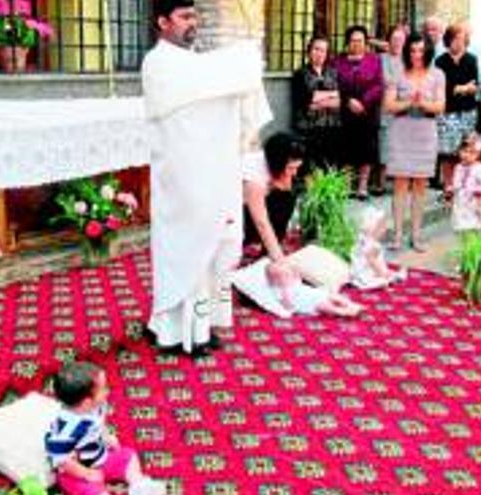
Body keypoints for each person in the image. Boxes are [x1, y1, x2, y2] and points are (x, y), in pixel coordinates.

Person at [141, 0, 272, 356]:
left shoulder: (195, 64)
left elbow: (217, 89)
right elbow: (212, 82)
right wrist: (244, 56)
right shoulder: (157, 63)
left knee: (212, 251)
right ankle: (174, 331)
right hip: (180, 181)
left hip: (209, 176)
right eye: (184, 17)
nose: (192, 23)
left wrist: (242, 62)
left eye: (194, 16)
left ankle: (202, 326)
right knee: (183, 252)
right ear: (162, 22)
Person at [45, 362, 167, 495]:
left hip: (100, 457)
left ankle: (139, 485)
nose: (108, 391)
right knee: (89, 489)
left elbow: (99, 424)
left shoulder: (97, 405)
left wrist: (107, 437)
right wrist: (87, 474)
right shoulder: (65, 431)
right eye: (104, 388)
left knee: (128, 456)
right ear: (87, 402)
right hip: (76, 472)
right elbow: (62, 461)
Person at [384, 33, 446, 252]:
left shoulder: (437, 74)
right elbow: (389, 105)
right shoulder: (398, 74)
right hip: (402, 130)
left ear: (428, 52)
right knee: (400, 183)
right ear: (407, 52)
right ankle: (398, 235)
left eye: (421, 51)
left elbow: (440, 106)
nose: (417, 55)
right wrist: (410, 101)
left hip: (425, 132)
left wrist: (424, 103)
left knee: (420, 184)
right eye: (412, 50)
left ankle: (417, 235)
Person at [332, 25, 385, 199]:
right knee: (346, 149)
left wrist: (364, 102)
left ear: (365, 42)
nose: (356, 44)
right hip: (345, 111)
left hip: (367, 112)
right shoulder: (338, 60)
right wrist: (348, 100)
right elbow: (333, 83)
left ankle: (362, 186)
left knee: (366, 149)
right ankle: (347, 186)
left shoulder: (375, 59)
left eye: (360, 40)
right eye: (353, 40)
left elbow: (379, 85)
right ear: (348, 42)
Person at [243, 132, 305, 262]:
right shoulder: (254, 177)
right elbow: (262, 222)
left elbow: (286, 192)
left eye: (297, 167)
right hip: (230, 210)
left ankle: (271, 247)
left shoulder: (274, 162)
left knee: (286, 198)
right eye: (291, 168)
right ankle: (256, 245)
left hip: (252, 203)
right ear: (278, 162)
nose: (294, 173)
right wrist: (280, 261)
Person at [435, 23, 479, 198]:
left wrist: (459, 88)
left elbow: (474, 85)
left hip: (467, 113)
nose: (458, 42)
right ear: (448, 41)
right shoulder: (441, 61)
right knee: (447, 153)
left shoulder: (471, 59)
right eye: (454, 39)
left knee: (465, 151)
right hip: (447, 112)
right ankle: (448, 187)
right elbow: (441, 87)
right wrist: (461, 88)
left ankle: (462, 186)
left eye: (461, 39)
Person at [292, 35, 341, 172]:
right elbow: (305, 101)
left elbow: (341, 100)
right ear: (309, 51)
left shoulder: (333, 73)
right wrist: (332, 94)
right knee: (311, 166)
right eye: (316, 49)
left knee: (330, 166)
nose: (319, 53)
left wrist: (318, 99)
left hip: (332, 127)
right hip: (309, 129)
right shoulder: (300, 74)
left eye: (323, 50)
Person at [264, 260, 363, 317]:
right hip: (308, 303)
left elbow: (298, 275)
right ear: (272, 280)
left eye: (285, 275)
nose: (282, 279)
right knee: (324, 306)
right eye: (277, 277)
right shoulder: (278, 291)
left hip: (314, 294)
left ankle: (350, 304)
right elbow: (287, 306)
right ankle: (343, 312)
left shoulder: (294, 281)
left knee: (332, 296)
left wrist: (292, 271)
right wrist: (285, 295)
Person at [350, 206, 407, 289]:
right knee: (384, 278)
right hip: (367, 272)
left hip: (360, 271)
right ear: (374, 229)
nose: (384, 229)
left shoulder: (363, 239)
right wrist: (383, 273)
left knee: (386, 273)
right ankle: (390, 278)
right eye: (382, 227)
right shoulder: (372, 246)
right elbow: (373, 263)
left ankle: (389, 275)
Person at [378, 26, 407, 189]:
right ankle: (380, 183)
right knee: (384, 144)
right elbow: (381, 81)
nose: (397, 43)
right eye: (394, 39)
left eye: (400, 39)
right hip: (385, 107)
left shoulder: (410, 60)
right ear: (388, 40)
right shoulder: (380, 58)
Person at [450, 133, 481, 232]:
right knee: (461, 226)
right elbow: (456, 183)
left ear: (478, 154)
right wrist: (452, 189)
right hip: (461, 201)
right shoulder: (458, 167)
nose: (466, 155)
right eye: (464, 151)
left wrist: (478, 194)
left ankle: (474, 243)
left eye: (472, 152)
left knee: (475, 225)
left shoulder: (480, 168)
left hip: (475, 201)